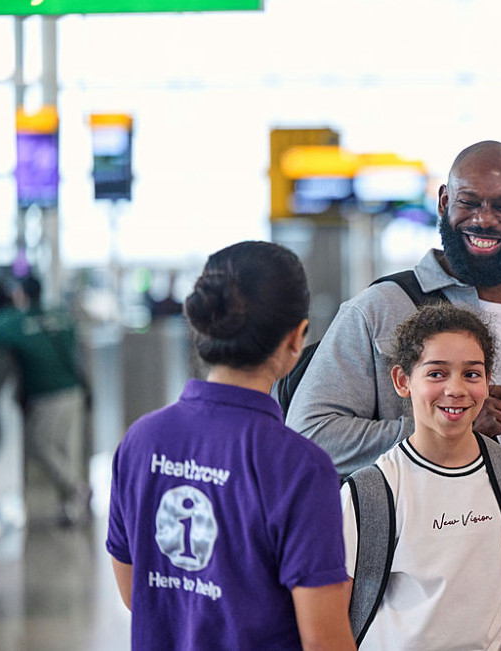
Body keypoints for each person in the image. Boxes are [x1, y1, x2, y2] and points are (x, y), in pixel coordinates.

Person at [287, 140, 501, 649]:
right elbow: (308, 438)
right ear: (443, 201)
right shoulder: (378, 311)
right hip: (413, 624)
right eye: (469, 202)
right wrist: (439, 429)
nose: (484, 219)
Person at [105, 241, 355, 651]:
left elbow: (136, 594)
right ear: (297, 338)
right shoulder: (299, 466)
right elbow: (324, 640)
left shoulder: (141, 440)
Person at [342, 303, 501, 650]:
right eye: (436, 374)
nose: (456, 389)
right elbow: (331, 615)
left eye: (472, 374)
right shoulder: (368, 492)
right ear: (403, 381)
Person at [0, 273, 91, 525]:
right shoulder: (60, 316)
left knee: (42, 446)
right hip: (74, 389)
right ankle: (73, 505)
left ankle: (77, 489)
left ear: (21, 295)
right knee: (67, 451)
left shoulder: (18, 321)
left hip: (47, 393)